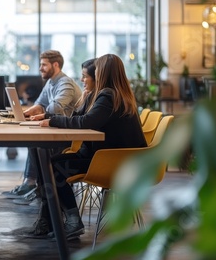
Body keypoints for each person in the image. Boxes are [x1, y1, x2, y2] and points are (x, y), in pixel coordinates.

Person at [27, 54, 147, 239]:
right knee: (49, 164)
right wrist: (82, 100)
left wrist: (52, 121)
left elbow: (86, 122)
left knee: (53, 168)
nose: (90, 75)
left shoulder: (108, 95)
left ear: (103, 73)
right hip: (111, 158)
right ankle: (50, 220)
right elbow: (80, 117)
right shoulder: (112, 94)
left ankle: (70, 221)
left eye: (96, 69)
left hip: (110, 162)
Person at [2, 50, 82, 199]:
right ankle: (32, 183)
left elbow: (55, 108)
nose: (40, 68)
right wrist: (26, 113)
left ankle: (34, 184)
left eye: (43, 65)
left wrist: (39, 111)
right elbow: (40, 104)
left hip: (71, 135)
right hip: (58, 129)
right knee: (33, 139)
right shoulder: (51, 82)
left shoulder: (65, 83)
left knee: (36, 141)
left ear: (55, 65)